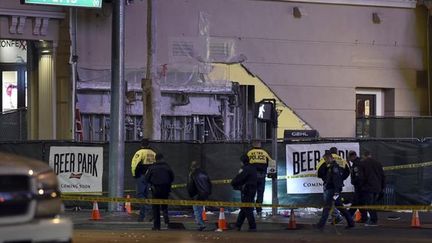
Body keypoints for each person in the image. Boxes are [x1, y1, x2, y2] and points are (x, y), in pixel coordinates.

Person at [316, 150, 354, 230]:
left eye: (326, 159)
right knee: (341, 208)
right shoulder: (331, 166)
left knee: (327, 208)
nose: (325, 161)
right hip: (332, 189)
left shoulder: (334, 167)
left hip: (332, 190)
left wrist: (336, 192)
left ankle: (320, 225)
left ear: (330, 158)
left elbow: (336, 180)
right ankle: (351, 222)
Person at [145, 153, 174, 230]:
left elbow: (146, 178)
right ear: (162, 158)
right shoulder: (167, 167)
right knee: (164, 206)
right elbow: (172, 177)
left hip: (156, 189)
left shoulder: (152, 167)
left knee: (156, 208)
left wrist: (152, 182)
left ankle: (157, 226)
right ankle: (167, 221)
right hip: (166, 189)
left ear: (155, 159)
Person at [131, 139, 156, 222]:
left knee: (140, 195)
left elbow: (134, 164)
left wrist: (134, 175)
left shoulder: (139, 153)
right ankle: (143, 216)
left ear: (141, 145)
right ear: (149, 145)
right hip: (151, 177)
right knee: (146, 195)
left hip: (141, 176)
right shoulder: (153, 153)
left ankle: (148, 211)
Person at [231, 154, 258, 232]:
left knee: (247, 208)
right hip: (252, 190)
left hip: (247, 190)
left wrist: (233, 183)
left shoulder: (245, 169)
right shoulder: (253, 168)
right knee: (244, 208)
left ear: (242, 162)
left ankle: (252, 226)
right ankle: (238, 225)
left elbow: (240, 178)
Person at [247, 140, 273, 217]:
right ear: (260, 145)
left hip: (251, 176)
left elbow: (244, 162)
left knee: (251, 193)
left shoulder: (249, 153)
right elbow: (271, 162)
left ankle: (250, 209)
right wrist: (269, 172)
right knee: (260, 193)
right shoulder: (264, 153)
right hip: (261, 176)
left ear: (252, 145)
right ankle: (259, 210)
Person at [359, 151, 386, 226]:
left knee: (369, 204)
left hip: (368, 187)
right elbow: (383, 176)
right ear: (370, 155)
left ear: (364, 156)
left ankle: (373, 220)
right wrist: (382, 187)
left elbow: (361, 177)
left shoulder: (363, 163)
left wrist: (362, 186)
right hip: (377, 187)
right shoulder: (378, 163)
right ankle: (373, 219)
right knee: (373, 204)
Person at [187, 161, 212, 231]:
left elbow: (191, 185)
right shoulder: (204, 173)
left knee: (196, 210)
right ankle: (202, 223)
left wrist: (191, 195)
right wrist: (208, 193)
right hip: (205, 194)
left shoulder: (193, 174)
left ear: (192, 167)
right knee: (200, 209)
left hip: (197, 194)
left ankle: (201, 224)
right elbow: (209, 183)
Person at [348, 150, 367, 222]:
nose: (349, 159)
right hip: (360, 186)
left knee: (356, 202)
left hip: (359, 186)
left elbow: (359, 176)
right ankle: (364, 218)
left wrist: (355, 182)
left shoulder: (357, 164)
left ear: (352, 156)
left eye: (349, 157)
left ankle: (349, 216)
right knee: (360, 203)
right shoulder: (358, 163)